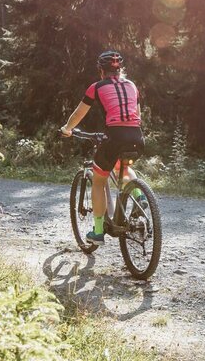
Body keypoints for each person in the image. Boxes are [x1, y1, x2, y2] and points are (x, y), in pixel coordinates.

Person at [60, 51, 147, 245]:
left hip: (114, 137)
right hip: (136, 137)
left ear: (101, 71)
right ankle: (139, 195)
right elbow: (137, 115)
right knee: (123, 164)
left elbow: (78, 114)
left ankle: (98, 232)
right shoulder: (132, 86)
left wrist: (67, 129)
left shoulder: (97, 87)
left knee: (99, 181)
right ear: (120, 70)